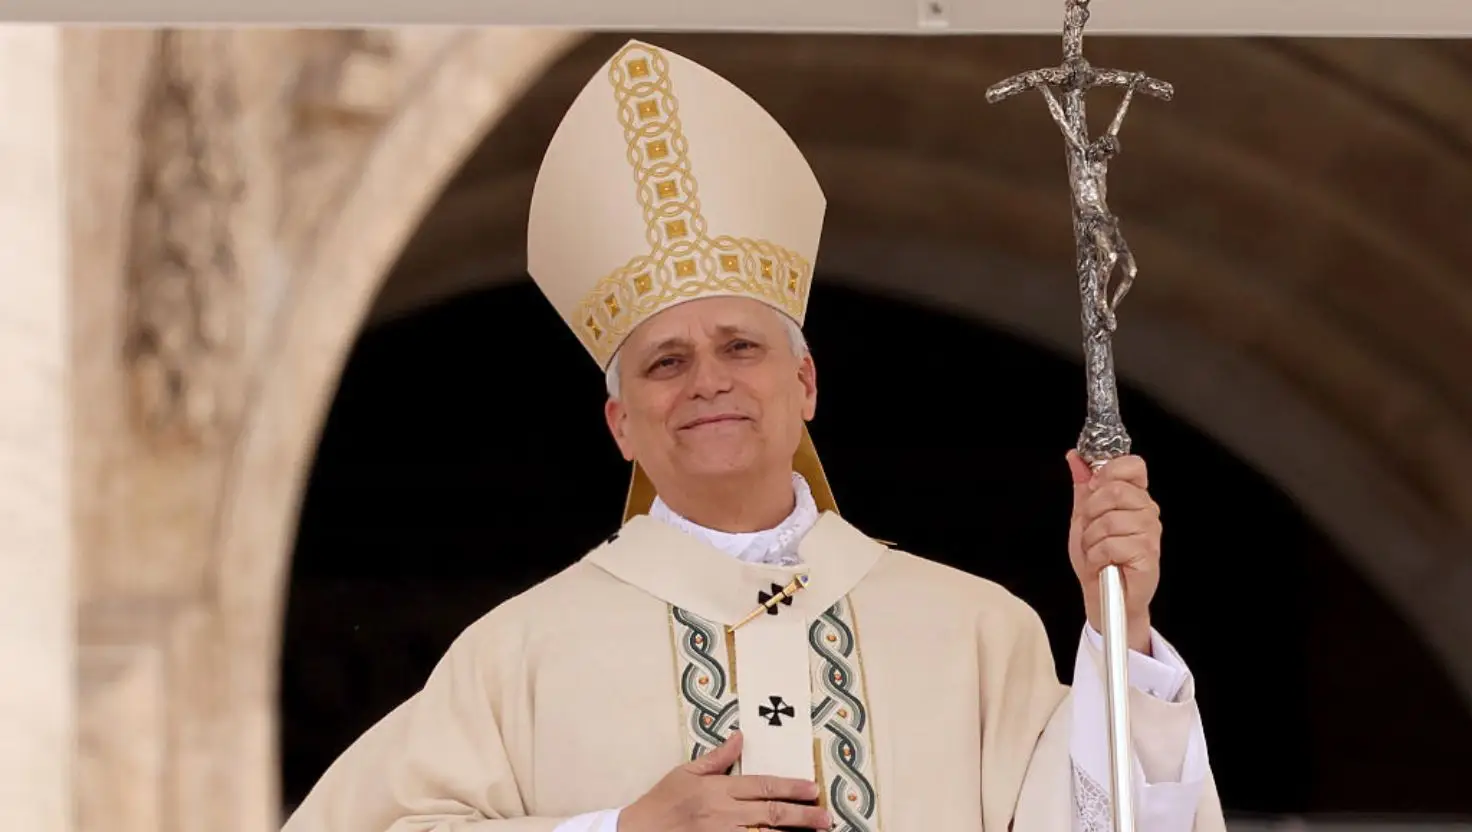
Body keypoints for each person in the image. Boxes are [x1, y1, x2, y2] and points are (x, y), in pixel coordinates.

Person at [282, 39, 1225, 832]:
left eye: (741, 346)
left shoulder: (977, 632)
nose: (708, 383)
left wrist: (1121, 631)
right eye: (665, 362)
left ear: (805, 383)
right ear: (620, 424)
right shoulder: (517, 653)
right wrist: (619, 831)